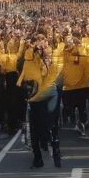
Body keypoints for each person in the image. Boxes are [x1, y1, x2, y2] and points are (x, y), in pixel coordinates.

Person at [24, 40, 64, 168]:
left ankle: (56, 151)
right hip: (34, 99)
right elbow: (26, 76)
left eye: (43, 51)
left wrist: (46, 66)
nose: (40, 53)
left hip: (48, 97)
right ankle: (37, 158)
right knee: (34, 129)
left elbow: (55, 81)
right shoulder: (30, 64)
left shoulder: (53, 65)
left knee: (50, 126)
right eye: (38, 51)